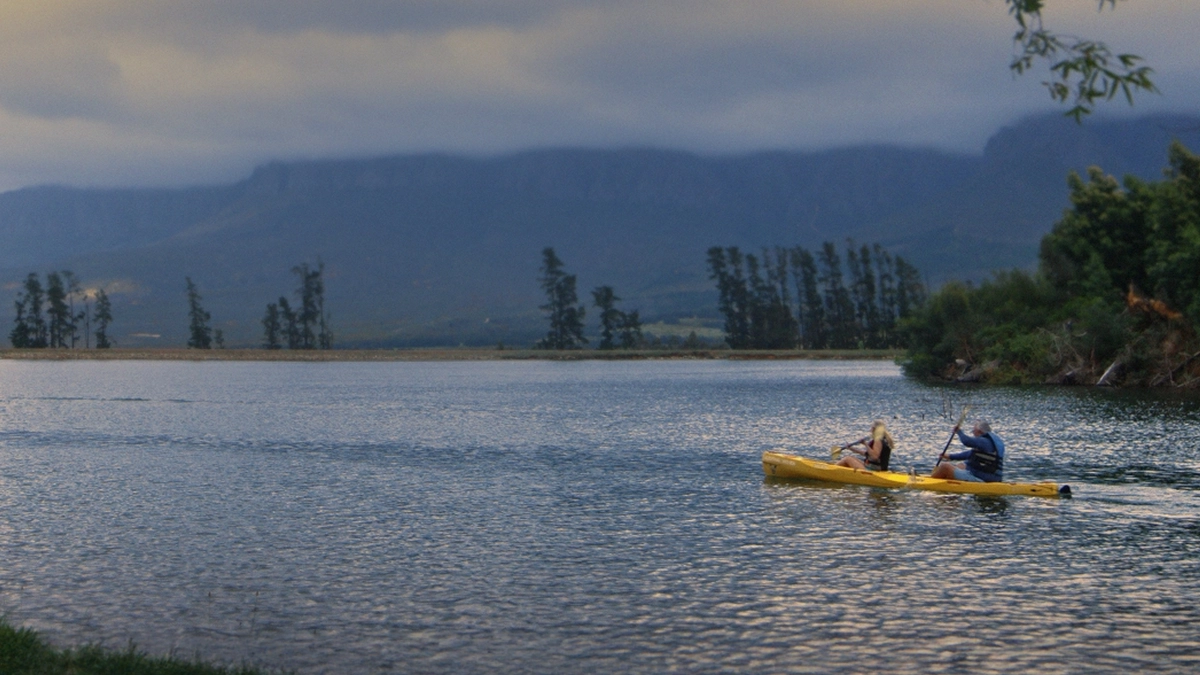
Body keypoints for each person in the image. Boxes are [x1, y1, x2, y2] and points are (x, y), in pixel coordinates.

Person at [932, 420, 1005, 482]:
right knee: (961, 465)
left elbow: (967, 441)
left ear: (979, 431)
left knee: (944, 466)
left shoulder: (984, 441)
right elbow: (969, 454)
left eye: (973, 431)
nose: (973, 433)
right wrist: (949, 456)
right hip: (987, 476)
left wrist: (959, 432)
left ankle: (931, 482)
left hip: (983, 478)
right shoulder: (988, 442)